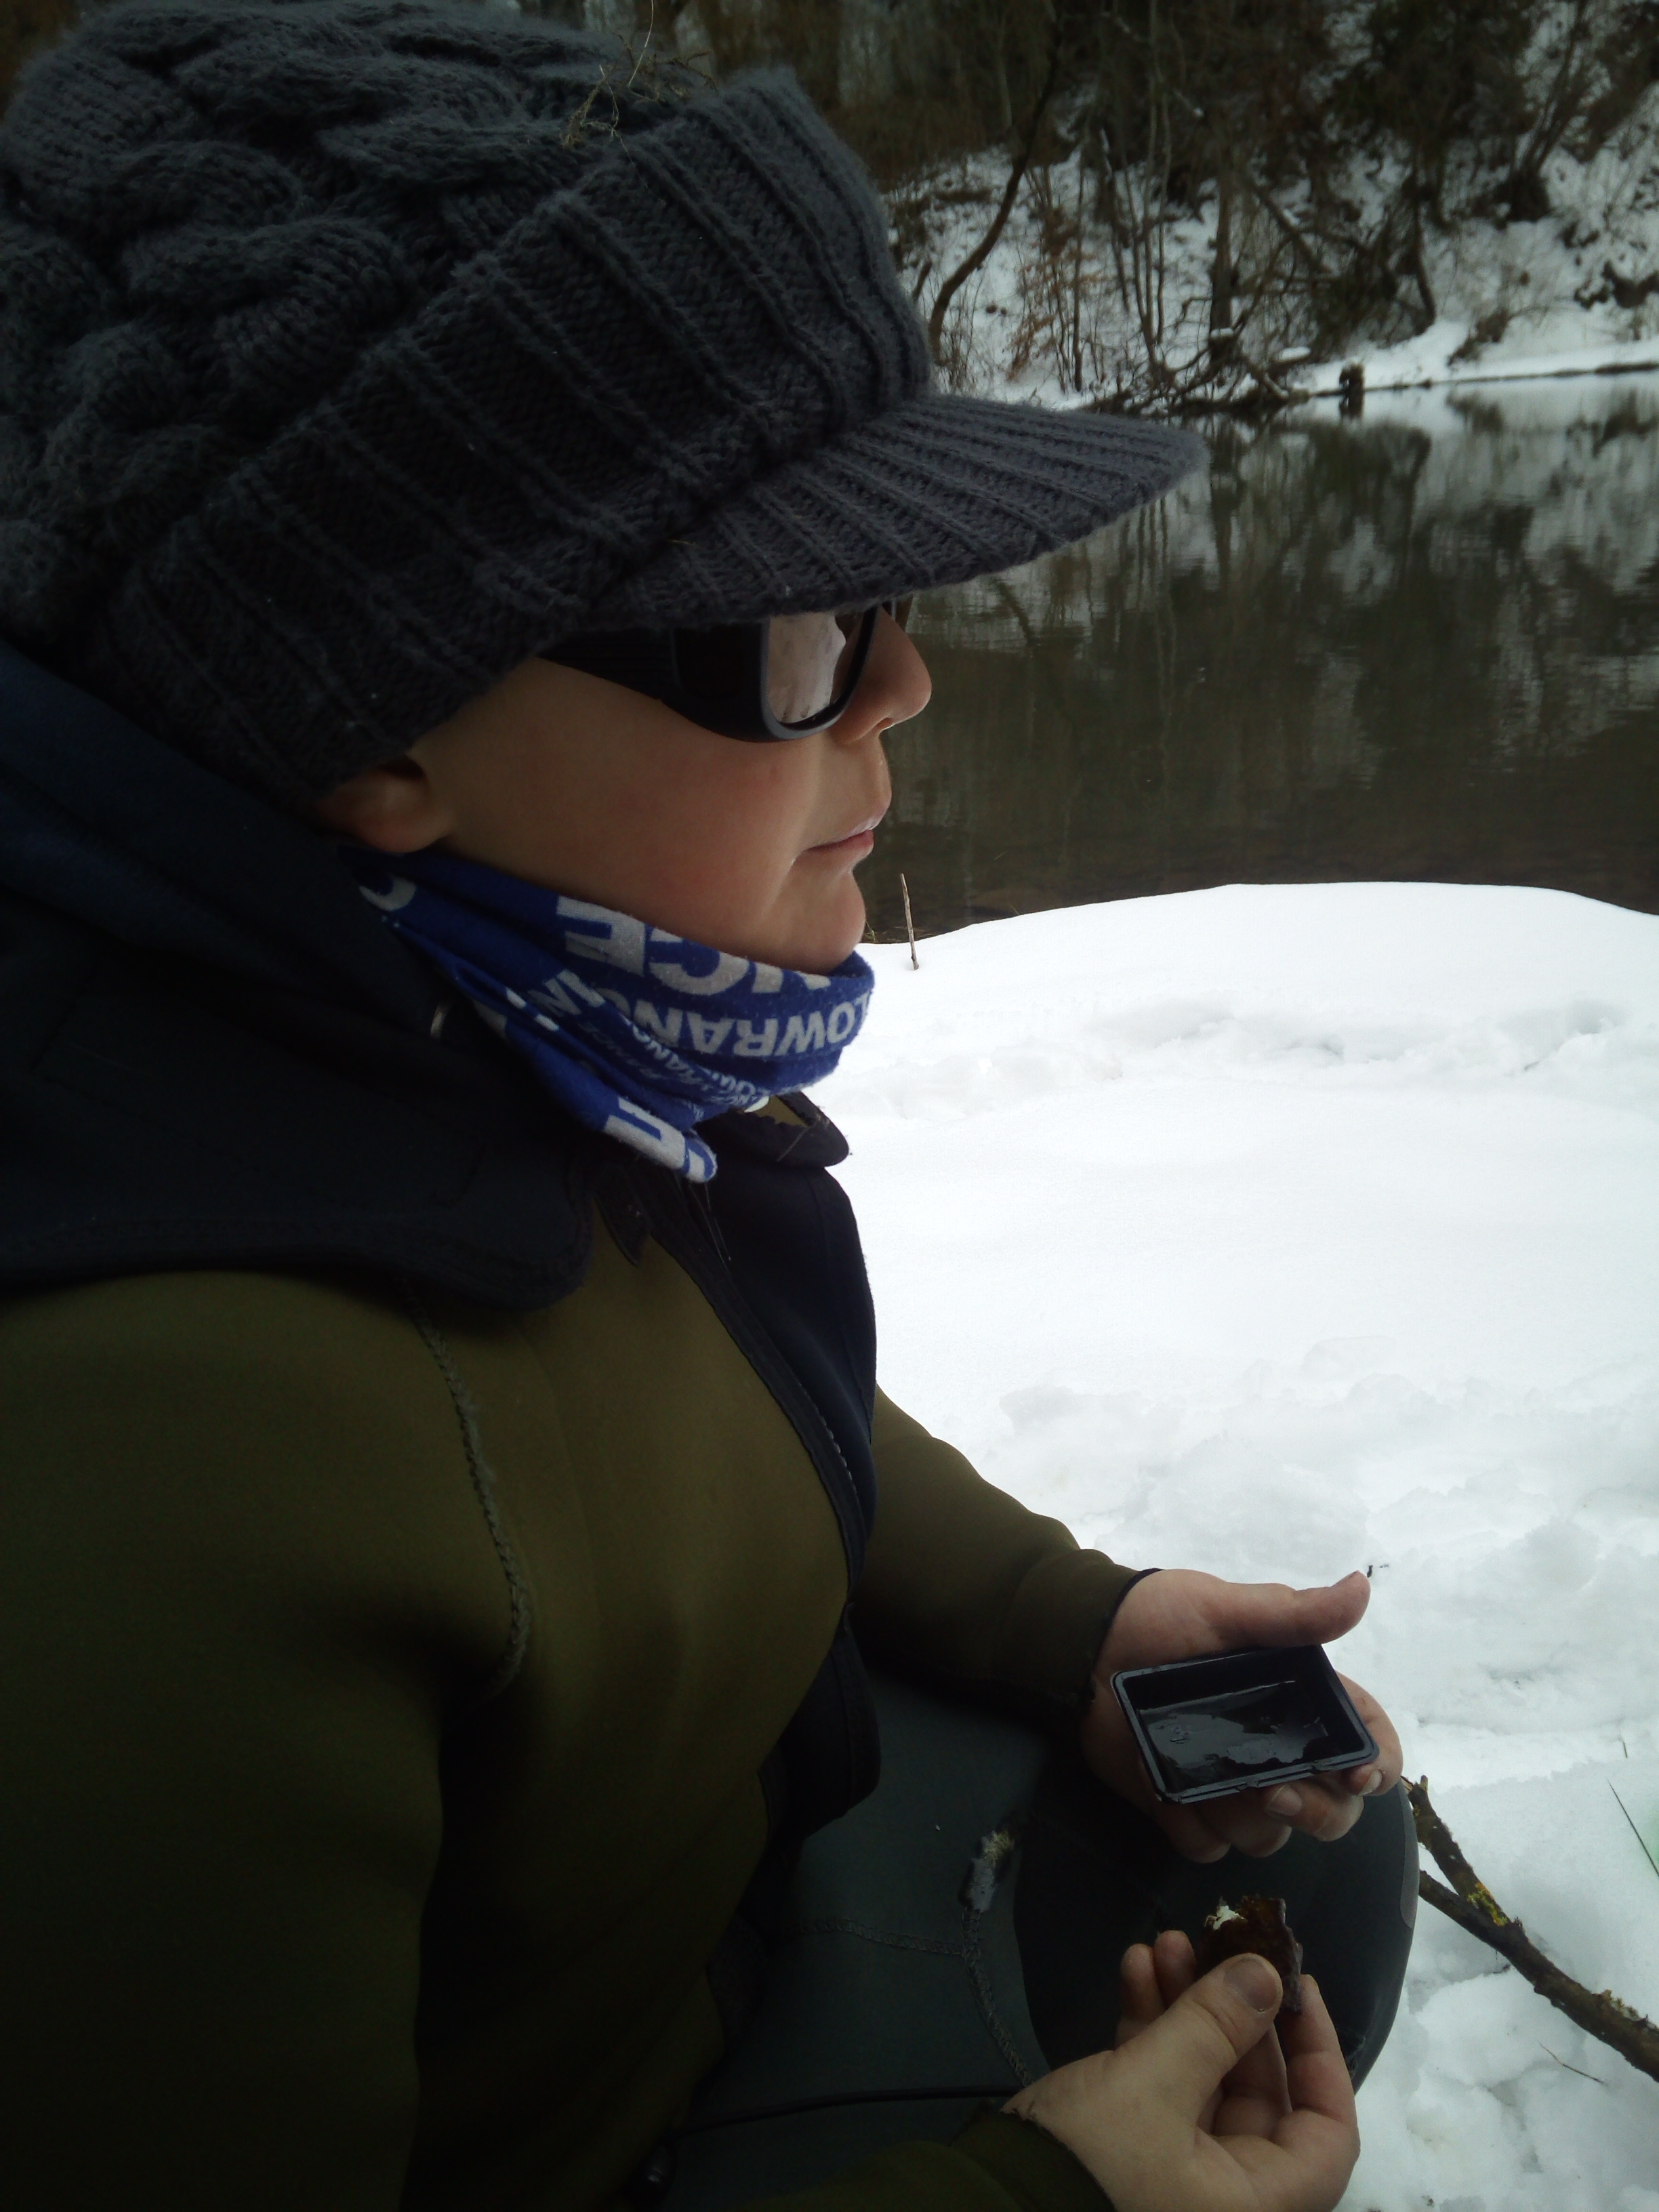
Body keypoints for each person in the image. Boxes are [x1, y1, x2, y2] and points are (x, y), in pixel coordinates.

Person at [0, 5, 1415, 2209]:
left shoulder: (496, 998)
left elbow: (671, 1392)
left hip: (699, 1918)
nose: (909, 681)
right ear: (369, 716)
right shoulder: (136, 1464)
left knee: (1326, 1847)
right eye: (801, 627)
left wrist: (1066, 1619)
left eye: (896, 593)